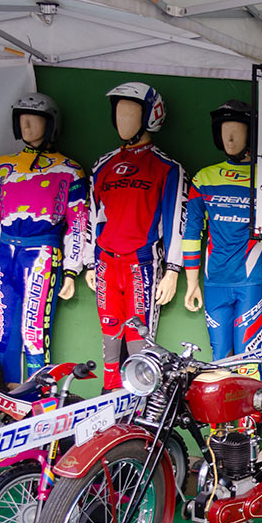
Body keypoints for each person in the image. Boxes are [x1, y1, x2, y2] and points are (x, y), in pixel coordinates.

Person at [0, 93, 89, 383]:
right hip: (4, 255)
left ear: (51, 124)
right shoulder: (2, 166)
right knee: (5, 335)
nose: (26, 125)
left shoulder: (69, 170)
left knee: (34, 335)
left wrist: (71, 270)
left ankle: (39, 399)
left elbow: (78, 223)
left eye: (35, 119)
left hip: (41, 254)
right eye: (22, 119)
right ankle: (4, 398)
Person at [86, 81, 186, 391]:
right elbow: (92, 216)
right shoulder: (102, 165)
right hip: (105, 262)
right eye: (118, 112)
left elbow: (176, 220)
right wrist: (89, 262)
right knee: (109, 337)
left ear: (151, 116)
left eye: (130, 113)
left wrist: (173, 270)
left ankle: (138, 405)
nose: (122, 120)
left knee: (138, 340)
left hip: (141, 262)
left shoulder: (166, 167)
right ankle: (108, 399)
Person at [181, 100, 262, 360]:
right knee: (219, 359)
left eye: (237, 130)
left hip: (252, 281)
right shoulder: (203, 178)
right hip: (214, 280)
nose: (229, 137)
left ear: (251, 134)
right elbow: (191, 232)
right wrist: (191, 282)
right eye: (224, 130)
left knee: (247, 358)